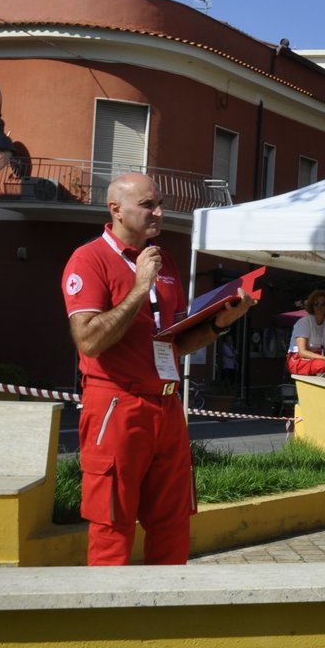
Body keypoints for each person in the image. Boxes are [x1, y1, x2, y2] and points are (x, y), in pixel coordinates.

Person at [62, 172, 254, 566]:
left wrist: (221, 321)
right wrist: (138, 286)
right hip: (116, 403)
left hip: (166, 406)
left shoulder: (164, 263)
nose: (159, 212)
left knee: (172, 523)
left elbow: (174, 342)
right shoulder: (89, 258)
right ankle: (107, 622)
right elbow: (89, 340)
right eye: (148, 205)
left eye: (159, 203)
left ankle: (166, 619)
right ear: (115, 209)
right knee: (112, 523)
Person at [287, 290, 325, 378]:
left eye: (323, 304)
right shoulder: (304, 322)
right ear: (312, 306)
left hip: (322, 357)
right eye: (316, 304)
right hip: (299, 360)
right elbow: (302, 352)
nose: (319, 307)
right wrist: (324, 358)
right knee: (324, 366)